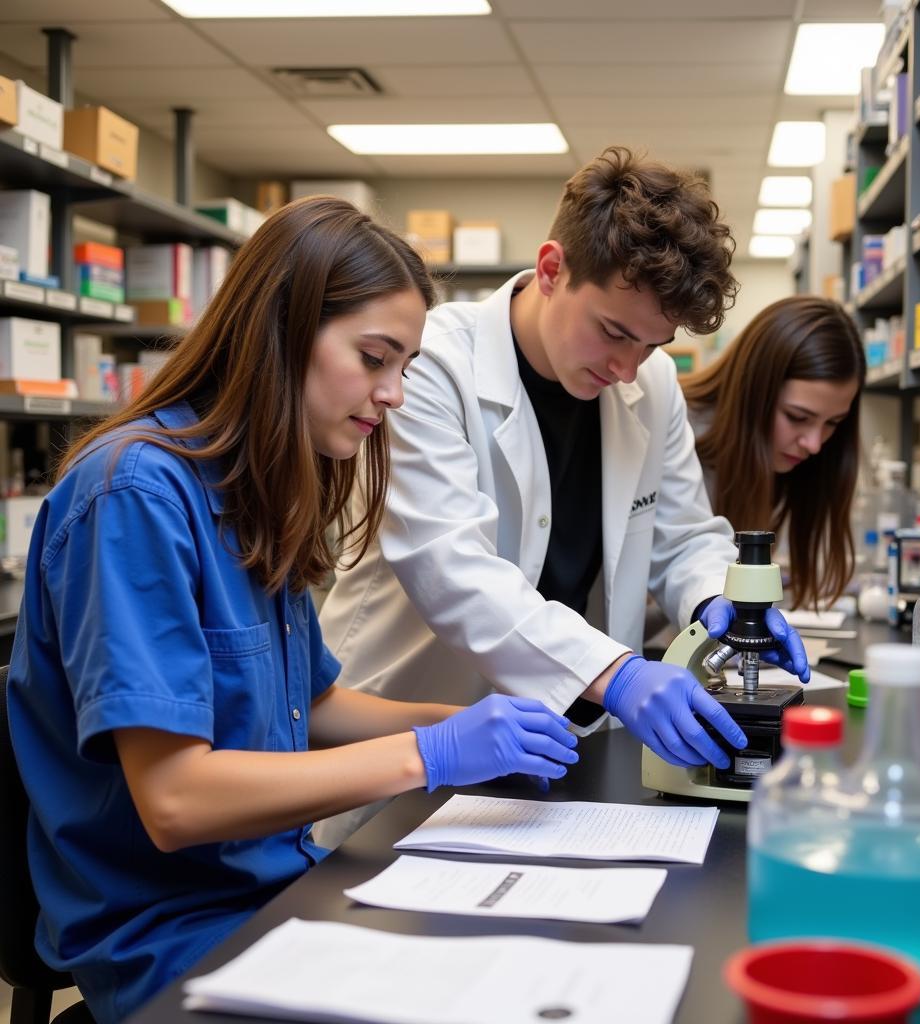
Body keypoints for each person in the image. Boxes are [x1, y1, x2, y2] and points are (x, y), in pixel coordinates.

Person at [6, 197, 579, 1024]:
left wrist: (478, 724)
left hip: (274, 893)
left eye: (406, 366)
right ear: (279, 330)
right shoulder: (134, 496)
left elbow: (309, 705)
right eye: (374, 357)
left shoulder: (252, 491)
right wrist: (431, 752)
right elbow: (176, 800)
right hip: (169, 938)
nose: (392, 395)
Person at [318, 148, 810, 844]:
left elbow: (684, 536)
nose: (626, 366)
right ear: (551, 269)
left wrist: (718, 604)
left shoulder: (653, 382)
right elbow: (454, 568)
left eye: (650, 344)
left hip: (550, 756)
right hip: (405, 741)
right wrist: (618, 673)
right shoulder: (433, 363)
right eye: (614, 331)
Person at [682, 295, 866, 610]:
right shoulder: (678, 431)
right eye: (797, 417)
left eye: (832, 423)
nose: (814, 444)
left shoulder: (780, 460)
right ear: (753, 390)